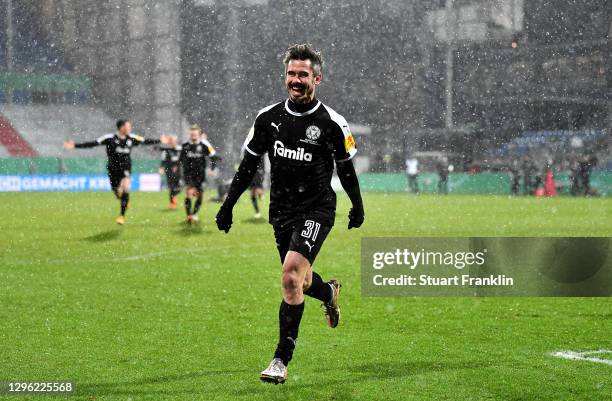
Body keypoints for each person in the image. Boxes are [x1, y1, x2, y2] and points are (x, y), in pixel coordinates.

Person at [215, 44, 364, 384]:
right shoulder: (268, 119)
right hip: (281, 211)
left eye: (303, 75)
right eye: (291, 74)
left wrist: (358, 205)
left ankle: (281, 359)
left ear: (317, 78)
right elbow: (248, 165)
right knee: (300, 280)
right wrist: (227, 206)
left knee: (289, 278)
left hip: (317, 209)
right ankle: (327, 292)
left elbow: (346, 170)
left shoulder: (332, 124)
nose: (296, 81)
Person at [63, 120, 167, 224]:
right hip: (113, 169)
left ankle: (121, 216)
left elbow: (145, 141)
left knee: (126, 188)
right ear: (121, 127)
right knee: (118, 193)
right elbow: (93, 143)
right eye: (128, 126)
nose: (130, 128)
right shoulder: (109, 138)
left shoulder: (131, 138)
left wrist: (159, 140)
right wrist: (75, 145)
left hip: (126, 168)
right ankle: (123, 199)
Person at [180, 125, 218, 224]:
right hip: (188, 174)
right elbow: (180, 159)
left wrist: (212, 168)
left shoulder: (204, 145)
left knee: (199, 196)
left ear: (199, 135)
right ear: (190, 134)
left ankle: (194, 214)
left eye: (195, 134)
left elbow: (213, 157)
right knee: (189, 193)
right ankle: (189, 216)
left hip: (200, 175)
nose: (193, 136)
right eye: (192, 134)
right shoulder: (185, 145)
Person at [241, 127, 266, 218]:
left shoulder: (260, 144)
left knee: (258, 190)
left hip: (258, 171)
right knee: (252, 193)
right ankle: (257, 212)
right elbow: (243, 157)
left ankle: (261, 193)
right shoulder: (246, 146)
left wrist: (262, 170)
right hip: (250, 171)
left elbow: (262, 158)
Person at [159, 135, 182, 209]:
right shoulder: (166, 150)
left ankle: (174, 196)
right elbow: (163, 159)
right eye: (172, 140)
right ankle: (172, 203)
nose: (174, 142)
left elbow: (182, 158)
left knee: (179, 187)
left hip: (178, 170)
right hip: (169, 170)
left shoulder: (179, 148)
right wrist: (161, 168)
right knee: (172, 187)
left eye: (175, 140)